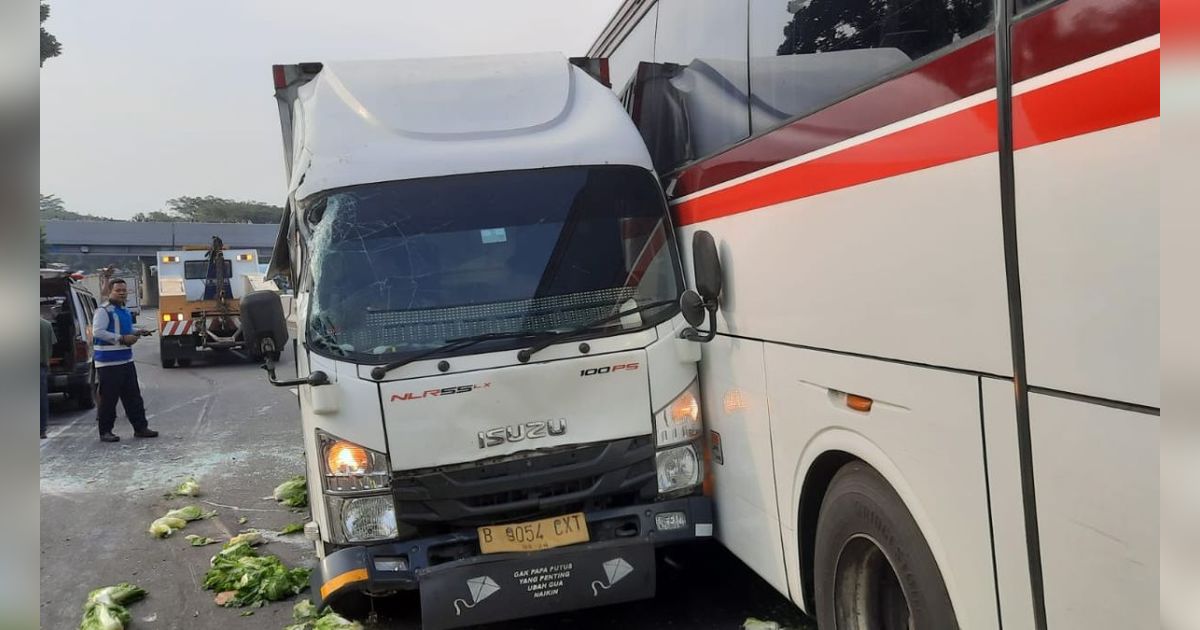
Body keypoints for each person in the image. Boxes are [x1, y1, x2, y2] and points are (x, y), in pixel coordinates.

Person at [92, 278, 158, 442]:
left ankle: (140, 428)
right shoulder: (103, 311)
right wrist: (121, 339)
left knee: (133, 397)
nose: (122, 293)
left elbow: (126, 330)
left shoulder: (125, 310)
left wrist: (138, 332)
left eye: (124, 290)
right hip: (108, 363)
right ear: (110, 292)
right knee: (109, 399)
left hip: (126, 361)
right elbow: (98, 332)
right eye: (118, 290)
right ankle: (105, 431)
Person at [40, 316, 56, 439]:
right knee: (41, 399)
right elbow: (51, 345)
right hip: (41, 366)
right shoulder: (46, 325)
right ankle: (42, 430)